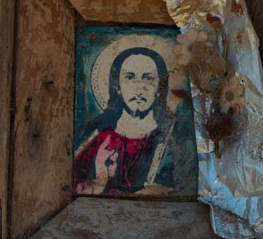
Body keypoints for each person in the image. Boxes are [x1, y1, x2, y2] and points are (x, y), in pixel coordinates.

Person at [74, 47, 188, 195]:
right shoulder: (98, 136)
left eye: (148, 78)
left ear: (160, 87)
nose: (139, 88)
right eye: (130, 77)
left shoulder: (173, 137)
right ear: (117, 86)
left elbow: (183, 187)